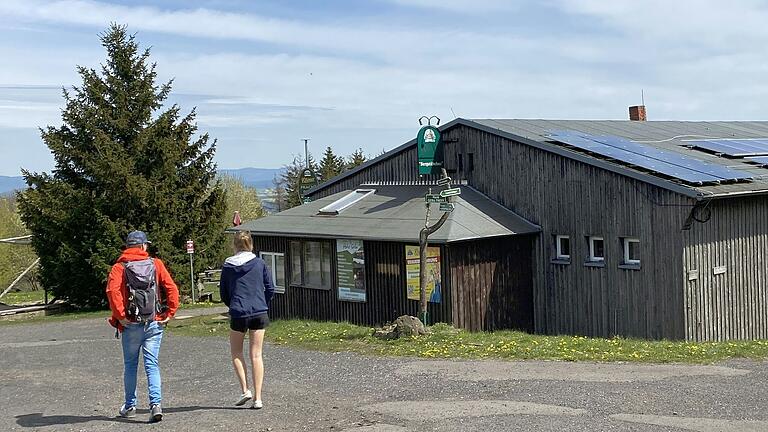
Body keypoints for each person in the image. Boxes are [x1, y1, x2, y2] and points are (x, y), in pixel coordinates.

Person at [106, 230, 179, 423]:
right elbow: (171, 288)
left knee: (130, 365)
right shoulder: (156, 264)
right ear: (143, 246)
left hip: (130, 324)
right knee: (151, 364)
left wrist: (121, 317)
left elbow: (113, 292)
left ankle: (130, 406)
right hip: (153, 321)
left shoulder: (119, 267)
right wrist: (169, 313)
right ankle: (156, 405)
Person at [219, 231, 274, 409]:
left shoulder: (228, 266)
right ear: (251, 245)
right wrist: (262, 303)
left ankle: (245, 390)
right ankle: (258, 398)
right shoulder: (259, 263)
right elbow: (270, 288)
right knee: (256, 354)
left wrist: (233, 304)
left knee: (236, 352)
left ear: (234, 245)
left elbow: (224, 293)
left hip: (238, 312)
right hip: (259, 311)